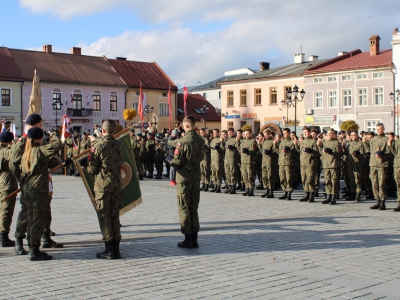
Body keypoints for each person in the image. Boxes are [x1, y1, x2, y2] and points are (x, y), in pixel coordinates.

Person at [21, 127, 63, 261]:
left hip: (27, 188)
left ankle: (32, 247)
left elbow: (50, 162)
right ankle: (34, 250)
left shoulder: (26, 153)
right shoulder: (40, 150)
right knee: (38, 219)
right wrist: (54, 134)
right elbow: (57, 145)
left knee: (31, 217)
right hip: (39, 188)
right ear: (39, 139)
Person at [87, 120, 124, 259]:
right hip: (116, 184)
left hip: (103, 186)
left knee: (104, 217)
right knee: (114, 215)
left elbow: (92, 168)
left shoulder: (98, 146)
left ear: (102, 131)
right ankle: (116, 248)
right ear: (114, 131)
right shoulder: (119, 145)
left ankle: (109, 250)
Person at [169, 115, 205, 249]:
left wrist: (170, 160)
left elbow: (178, 161)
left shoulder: (183, 142)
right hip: (195, 178)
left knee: (184, 208)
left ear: (186, 126)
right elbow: (201, 157)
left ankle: (188, 239)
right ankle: (195, 239)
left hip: (184, 178)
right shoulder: (201, 140)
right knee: (193, 207)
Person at [0, 132, 18, 247]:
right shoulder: (7, 151)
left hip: (2, 182)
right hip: (7, 184)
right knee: (6, 210)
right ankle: (3, 237)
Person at [369, 123, 390, 210]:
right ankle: (377, 200)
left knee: (381, 184)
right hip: (373, 164)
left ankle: (383, 202)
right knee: (374, 183)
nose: (378, 131)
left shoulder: (386, 139)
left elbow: (390, 153)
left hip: (382, 164)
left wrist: (382, 156)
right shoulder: (373, 139)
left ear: (383, 129)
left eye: (380, 129)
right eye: (377, 129)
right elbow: (371, 151)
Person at [318, 129, 342, 205]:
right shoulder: (325, 143)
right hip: (326, 165)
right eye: (328, 134)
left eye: (331, 134)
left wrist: (331, 152)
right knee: (327, 181)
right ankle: (328, 196)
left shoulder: (337, 143)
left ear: (334, 135)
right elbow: (321, 153)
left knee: (334, 181)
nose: (329, 135)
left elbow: (340, 154)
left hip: (334, 165)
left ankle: (333, 197)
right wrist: (319, 145)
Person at [298, 126, 320, 203]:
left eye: (306, 132)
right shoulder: (303, 142)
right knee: (304, 179)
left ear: (310, 132)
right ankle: (306, 193)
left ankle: (311, 195)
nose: (305, 134)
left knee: (310, 179)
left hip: (311, 163)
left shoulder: (314, 141)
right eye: (304, 133)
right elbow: (300, 152)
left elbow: (318, 153)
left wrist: (311, 151)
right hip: (303, 163)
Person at [277, 128, 299, 200]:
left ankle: (289, 193)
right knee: (282, 178)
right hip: (281, 163)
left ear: (289, 133)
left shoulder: (292, 142)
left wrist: (288, 151)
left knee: (288, 178)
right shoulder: (282, 142)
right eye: (283, 133)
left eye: (286, 133)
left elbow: (295, 153)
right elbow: (278, 152)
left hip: (288, 163)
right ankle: (284, 191)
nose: (284, 134)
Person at [344, 131, 365, 201]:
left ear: (357, 135)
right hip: (349, 165)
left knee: (358, 180)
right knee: (351, 180)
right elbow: (345, 154)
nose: (352, 136)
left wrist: (357, 155)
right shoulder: (348, 144)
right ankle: (352, 194)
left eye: (354, 135)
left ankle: (358, 194)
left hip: (357, 165)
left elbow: (363, 156)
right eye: (351, 135)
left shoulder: (360, 144)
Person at [239, 129, 257, 196]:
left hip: (250, 161)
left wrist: (247, 151)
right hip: (243, 161)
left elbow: (254, 150)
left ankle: (251, 190)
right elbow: (239, 148)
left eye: (247, 133)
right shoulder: (243, 141)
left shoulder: (253, 141)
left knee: (250, 176)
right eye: (245, 133)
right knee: (245, 176)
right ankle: (247, 189)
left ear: (250, 134)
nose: (246, 135)